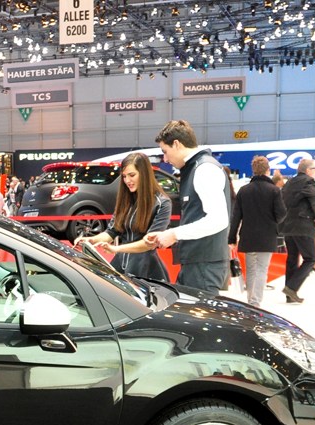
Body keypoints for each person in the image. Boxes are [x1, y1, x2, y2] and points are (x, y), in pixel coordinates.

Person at [144, 119, 231, 296]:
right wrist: (168, 234)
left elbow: (218, 220)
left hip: (203, 267)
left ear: (176, 144)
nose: (165, 159)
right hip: (197, 264)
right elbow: (197, 216)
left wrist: (174, 234)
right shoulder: (195, 168)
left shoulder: (204, 169)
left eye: (165, 152)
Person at [76, 152, 171, 282]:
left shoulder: (162, 203)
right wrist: (90, 240)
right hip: (120, 265)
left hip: (146, 269)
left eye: (132, 175)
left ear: (144, 174)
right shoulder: (125, 200)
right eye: (124, 176)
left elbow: (149, 244)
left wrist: (117, 248)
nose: (127, 181)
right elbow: (111, 232)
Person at [228, 155, 286, 307]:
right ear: (268, 170)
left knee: (251, 269)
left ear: (253, 170)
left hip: (248, 235)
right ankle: (255, 302)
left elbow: (236, 217)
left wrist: (231, 238)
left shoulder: (244, 190)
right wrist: (273, 221)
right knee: (261, 269)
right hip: (267, 235)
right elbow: (281, 214)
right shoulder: (274, 190)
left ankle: (250, 301)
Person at [278, 158, 315, 303]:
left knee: (292, 258)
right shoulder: (309, 183)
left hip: (287, 225)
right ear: (308, 170)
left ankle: (289, 295)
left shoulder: (289, 183)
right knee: (311, 259)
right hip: (303, 225)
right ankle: (291, 288)